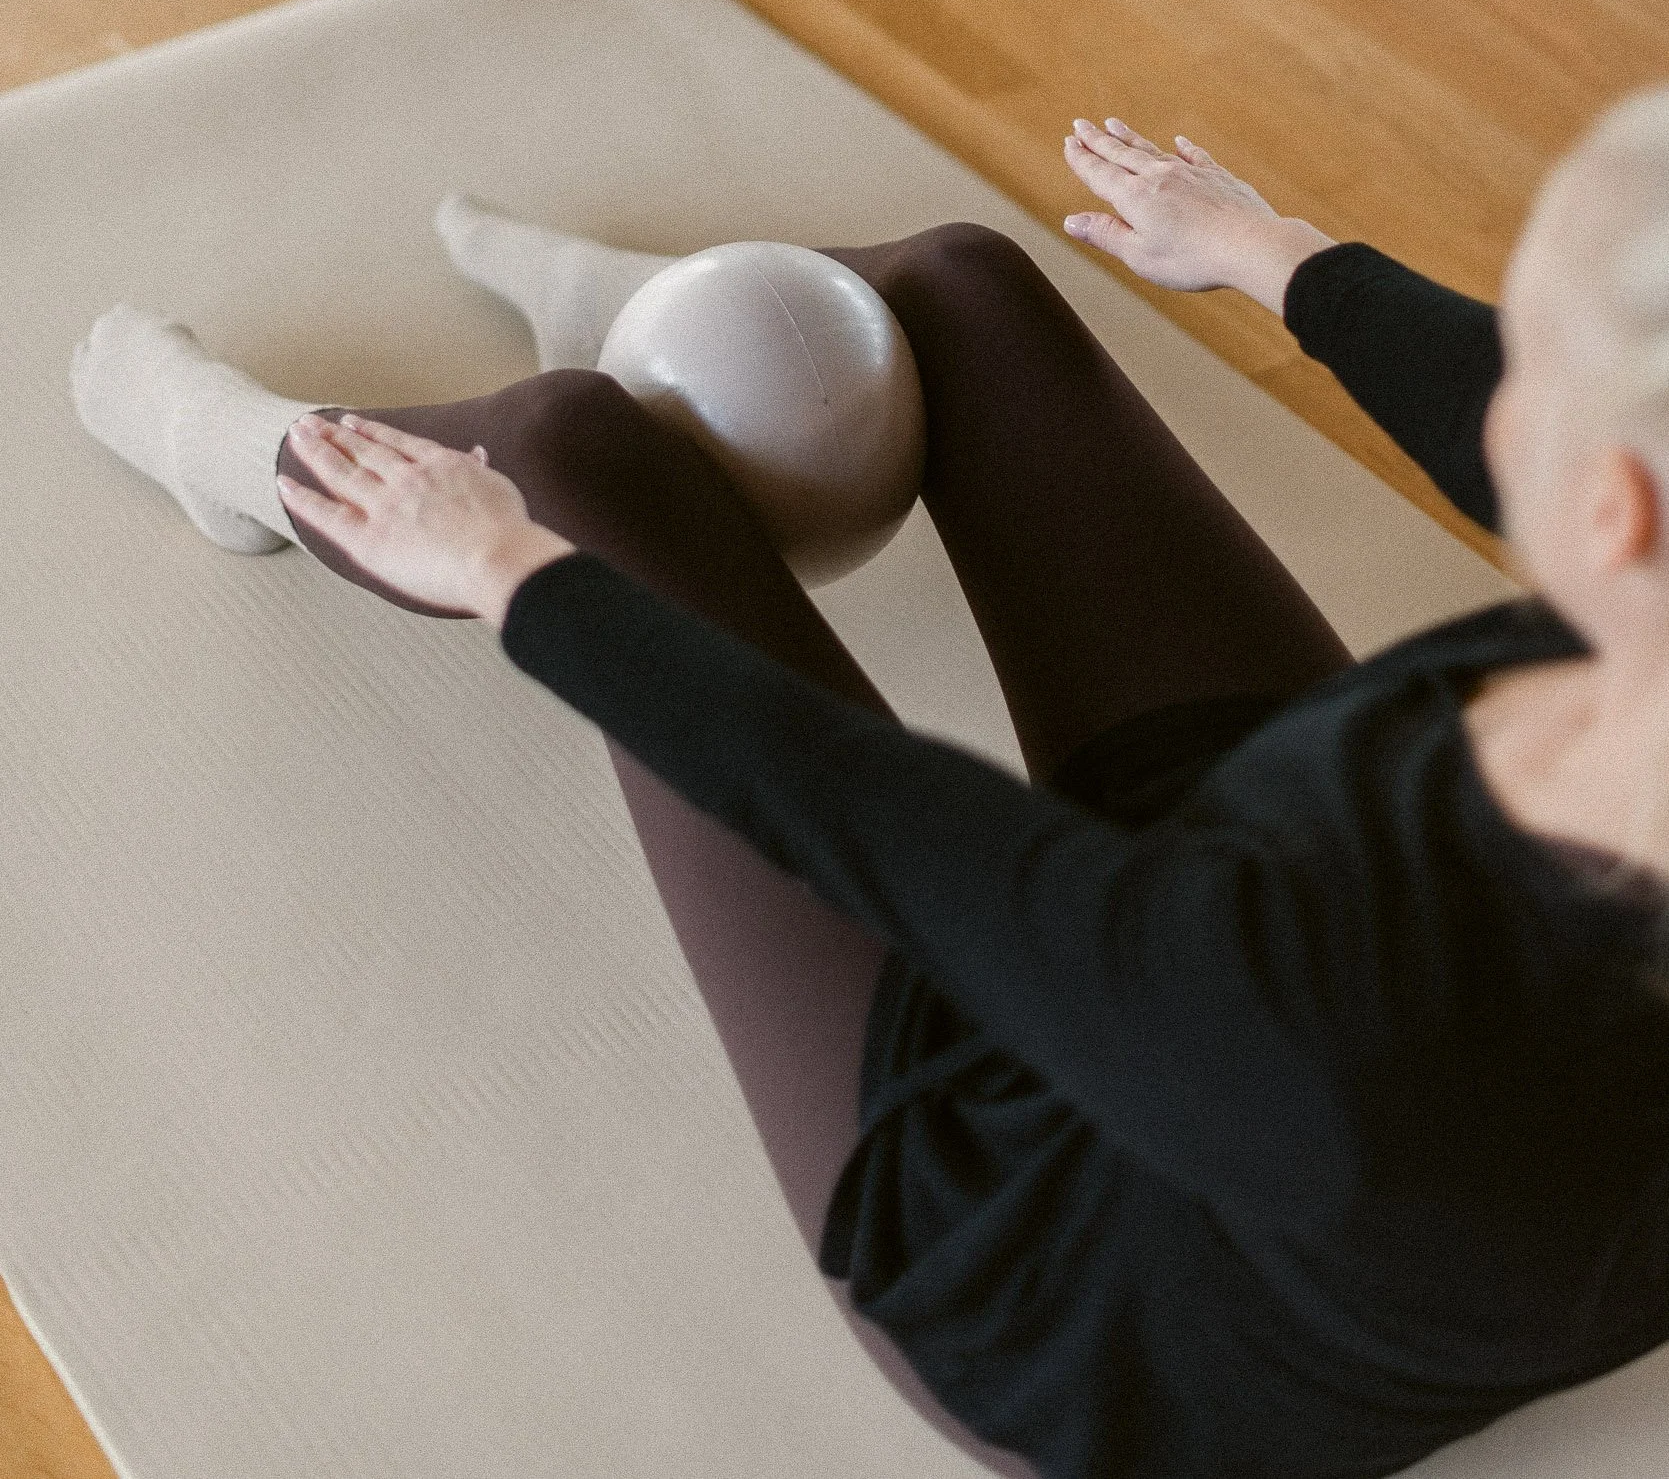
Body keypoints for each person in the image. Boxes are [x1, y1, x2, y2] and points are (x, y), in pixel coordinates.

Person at [71, 98, 1669, 1479]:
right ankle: (673, 346)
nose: (1520, 384)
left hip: (1045, 1223)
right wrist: (1281, 259)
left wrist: (517, 579)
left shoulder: (1320, 1026)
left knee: (568, 466)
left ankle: (250, 464)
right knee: (968, 293)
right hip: (1254, 904)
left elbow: (909, 832)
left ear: (1604, 509)